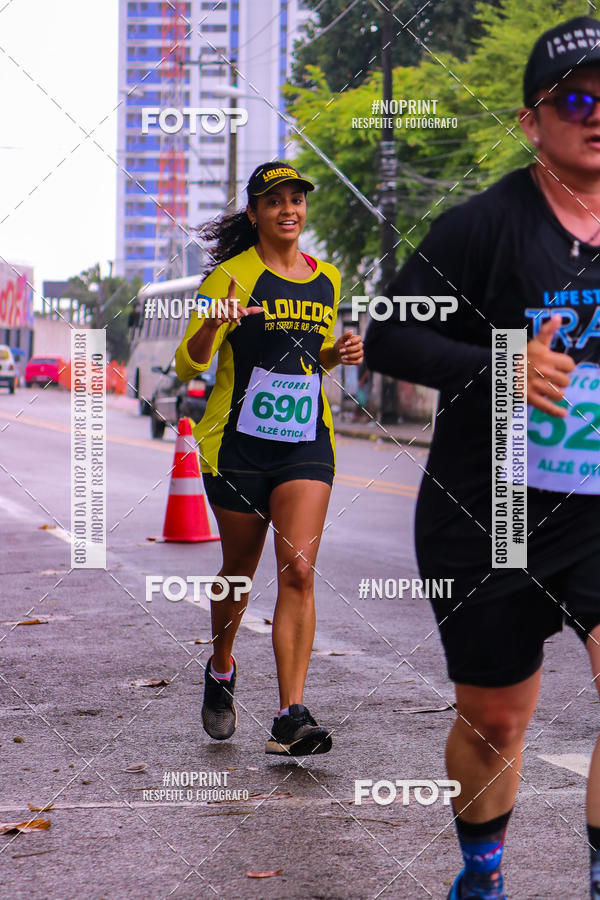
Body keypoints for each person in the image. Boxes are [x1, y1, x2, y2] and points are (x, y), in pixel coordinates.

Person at [365, 17, 600, 900]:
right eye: (577, 100)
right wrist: (504, 363)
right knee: (497, 720)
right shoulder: (482, 227)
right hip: (490, 508)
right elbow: (389, 337)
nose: (598, 116)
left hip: (596, 510)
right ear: (532, 120)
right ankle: (482, 876)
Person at [175, 161, 363, 756]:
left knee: (299, 570)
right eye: (275, 200)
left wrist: (336, 353)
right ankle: (222, 667)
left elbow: (308, 357)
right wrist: (214, 325)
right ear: (255, 212)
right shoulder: (231, 276)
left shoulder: (327, 277)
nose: (289, 209)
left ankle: (289, 716)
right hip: (237, 446)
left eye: (296, 199)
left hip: (305, 442)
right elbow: (188, 363)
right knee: (239, 571)